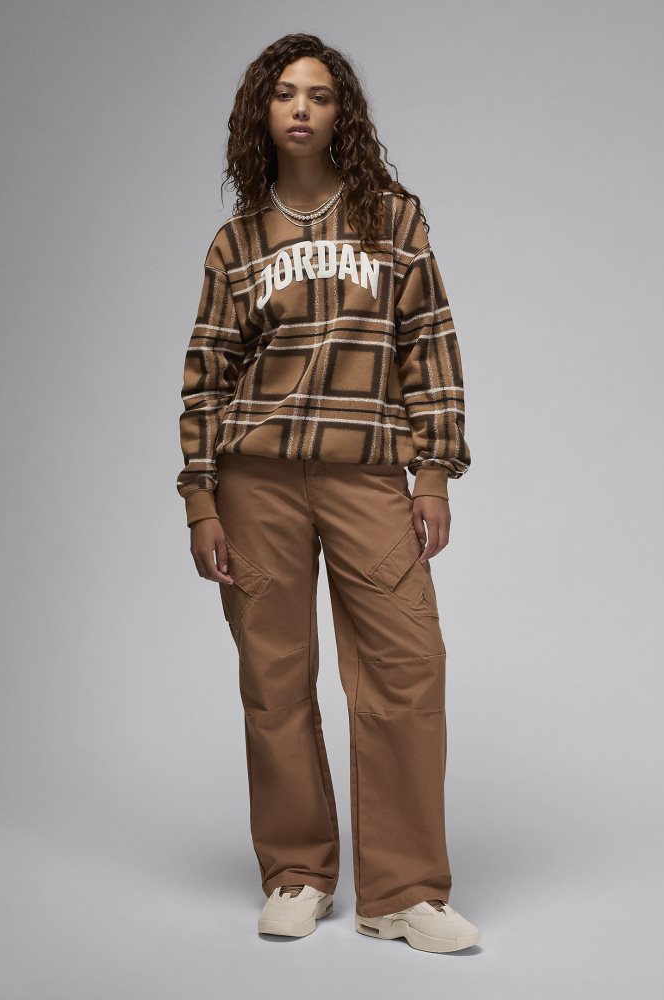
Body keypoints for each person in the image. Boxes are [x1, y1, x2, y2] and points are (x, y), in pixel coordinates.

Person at [176, 33, 480, 954]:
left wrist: (434, 472)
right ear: (261, 115)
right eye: (284, 94)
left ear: (343, 111)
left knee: (408, 665)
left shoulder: (392, 219)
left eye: (319, 94)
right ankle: (297, 872)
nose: (301, 107)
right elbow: (206, 377)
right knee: (274, 679)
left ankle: (404, 893)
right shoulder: (237, 242)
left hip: (366, 473)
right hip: (255, 478)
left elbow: (430, 344)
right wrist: (201, 499)